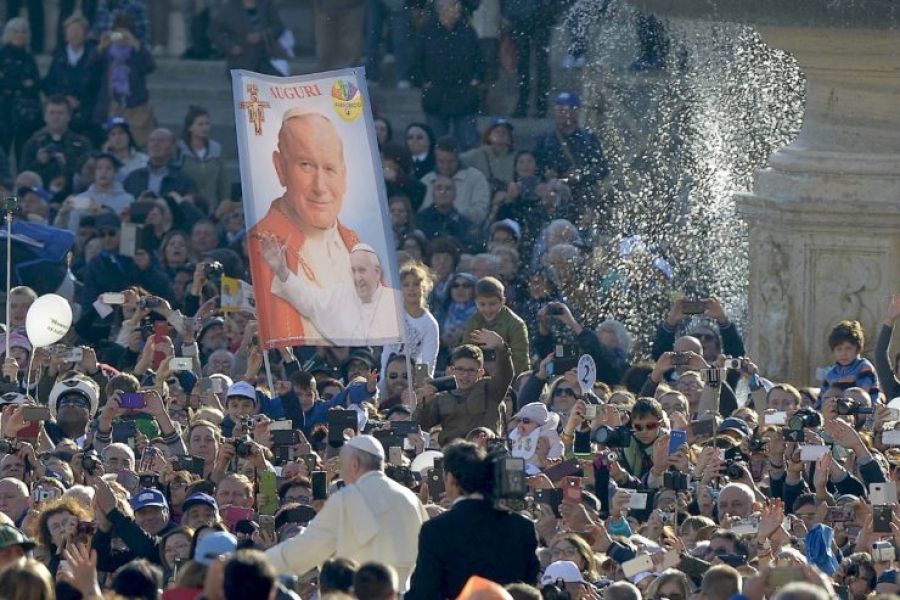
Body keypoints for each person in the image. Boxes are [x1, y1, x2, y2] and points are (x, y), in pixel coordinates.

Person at [247, 109, 365, 345]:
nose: (320, 187)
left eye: (330, 169)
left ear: (344, 175)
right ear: (280, 168)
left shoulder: (354, 243)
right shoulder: (264, 240)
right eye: (306, 165)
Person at [264, 435, 429, 593]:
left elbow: (305, 550)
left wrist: (258, 565)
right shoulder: (410, 498)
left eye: (342, 466)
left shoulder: (347, 498)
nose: (341, 473)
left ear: (355, 464)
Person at [406, 441, 539, 600]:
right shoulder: (522, 527)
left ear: (451, 478)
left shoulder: (436, 529)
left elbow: (424, 592)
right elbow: (529, 586)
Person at [260, 241, 402, 345]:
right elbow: (309, 300)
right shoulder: (341, 294)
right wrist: (282, 271)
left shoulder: (396, 301)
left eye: (362, 270)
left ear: (376, 271)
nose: (358, 278)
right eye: (354, 271)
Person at [409, 0, 485, 151]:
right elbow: (415, 64)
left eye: (458, 4)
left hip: (464, 98)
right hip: (436, 99)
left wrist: (475, 81)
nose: (458, 8)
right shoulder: (426, 32)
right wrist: (424, 83)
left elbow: (480, 61)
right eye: (453, 5)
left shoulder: (467, 31)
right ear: (441, 9)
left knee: (468, 147)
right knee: (437, 146)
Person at [414, 330, 514, 444]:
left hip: (486, 454)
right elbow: (421, 425)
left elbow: (506, 374)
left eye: (471, 370)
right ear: (452, 370)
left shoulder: (490, 389)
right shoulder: (441, 397)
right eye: (460, 369)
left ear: (480, 373)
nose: (465, 375)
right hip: (454, 455)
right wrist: (425, 402)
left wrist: (500, 347)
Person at [463, 277, 530, 374]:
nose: (488, 309)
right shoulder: (474, 321)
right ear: (475, 302)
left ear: (502, 301)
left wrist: (500, 353)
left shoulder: (516, 324)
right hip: (480, 374)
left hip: (510, 376)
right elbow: (465, 352)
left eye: (492, 304)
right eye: (482, 304)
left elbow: (521, 362)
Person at [419, 136, 491, 224]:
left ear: (458, 158)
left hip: (465, 231)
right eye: (441, 161)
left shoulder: (476, 178)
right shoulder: (426, 181)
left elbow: (480, 213)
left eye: (450, 161)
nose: (445, 166)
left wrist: (451, 215)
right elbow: (419, 213)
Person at [0, 18, 42, 162]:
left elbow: (35, 84)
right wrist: (21, 84)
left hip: (25, 113)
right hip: (3, 111)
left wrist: (11, 83)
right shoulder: (1, 54)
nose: (20, 35)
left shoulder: (29, 57)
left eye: (23, 32)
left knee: (23, 152)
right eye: (16, 31)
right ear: (8, 33)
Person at [208, 0, 286, 76]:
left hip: (265, 61)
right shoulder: (230, 8)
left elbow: (278, 27)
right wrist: (231, 46)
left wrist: (261, 36)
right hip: (241, 62)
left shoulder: (266, 5)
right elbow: (213, 31)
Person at [176, 105, 230, 212]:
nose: (205, 128)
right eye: (200, 124)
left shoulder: (216, 150)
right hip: (187, 209)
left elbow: (223, 182)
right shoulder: (180, 150)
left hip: (212, 209)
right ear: (190, 127)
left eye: (207, 124)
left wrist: (224, 203)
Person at [820, 319, 879, 404]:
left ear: (858, 349)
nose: (843, 353)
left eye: (848, 348)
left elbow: (860, 396)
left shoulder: (864, 368)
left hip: (864, 413)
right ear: (833, 351)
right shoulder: (831, 374)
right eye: (839, 349)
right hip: (836, 414)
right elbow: (821, 399)